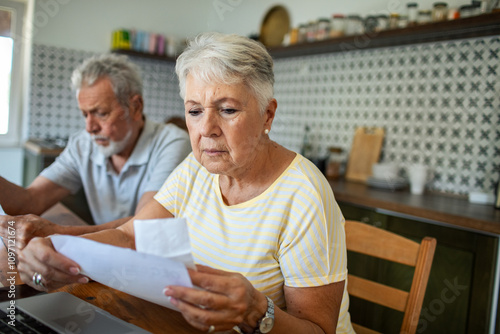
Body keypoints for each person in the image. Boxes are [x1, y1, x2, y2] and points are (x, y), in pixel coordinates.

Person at [18, 33, 354, 334]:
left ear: (267, 114)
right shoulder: (196, 167)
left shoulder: (304, 195)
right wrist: (57, 249)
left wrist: (256, 310)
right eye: (195, 111)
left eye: (227, 109)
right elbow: (129, 235)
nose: (207, 128)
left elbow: (318, 330)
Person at [0, 54, 191, 249]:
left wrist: (58, 233)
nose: (90, 127)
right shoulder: (82, 144)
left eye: (101, 113)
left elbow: (144, 227)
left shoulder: (173, 142)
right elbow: (28, 202)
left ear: (135, 107)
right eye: (85, 114)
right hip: (104, 254)